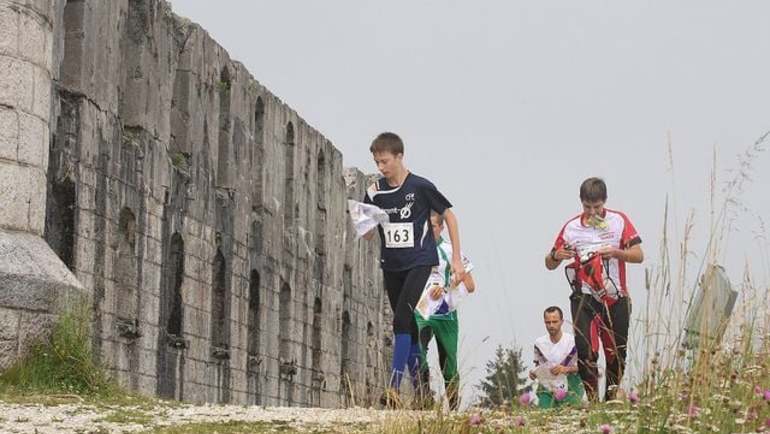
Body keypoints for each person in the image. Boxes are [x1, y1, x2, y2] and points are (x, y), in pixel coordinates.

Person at [363, 132, 465, 407]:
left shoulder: (420, 186)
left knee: (400, 321)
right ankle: (422, 391)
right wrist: (366, 224)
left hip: (420, 261)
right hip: (392, 265)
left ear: (399, 156)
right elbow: (368, 233)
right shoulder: (375, 191)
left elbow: (450, 217)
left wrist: (456, 259)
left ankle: (393, 387)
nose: (381, 168)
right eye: (376, 163)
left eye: (385, 161)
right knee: (406, 327)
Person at [544, 177, 643, 401]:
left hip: (614, 297)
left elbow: (639, 255)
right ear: (581, 203)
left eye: (596, 207)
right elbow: (549, 263)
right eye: (587, 207)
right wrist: (555, 256)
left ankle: (610, 398)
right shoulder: (571, 228)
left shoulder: (619, 221)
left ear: (604, 202)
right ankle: (593, 401)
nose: (592, 212)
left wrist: (617, 253)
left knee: (616, 354)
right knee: (586, 352)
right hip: (584, 298)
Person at [413, 211, 476, 410]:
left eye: (432, 226)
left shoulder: (450, 251)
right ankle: (424, 399)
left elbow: (471, 285)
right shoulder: (414, 249)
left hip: (445, 313)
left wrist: (453, 284)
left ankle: (454, 406)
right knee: (417, 352)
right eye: (425, 226)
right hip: (422, 311)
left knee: (448, 365)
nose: (428, 230)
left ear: (441, 227)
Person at [529, 306, 584, 408]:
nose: (551, 325)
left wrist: (565, 369)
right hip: (548, 384)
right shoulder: (539, 343)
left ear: (561, 322)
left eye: (555, 322)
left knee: (570, 412)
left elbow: (585, 368)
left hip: (570, 383)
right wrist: (534, 373)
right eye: (548, 322)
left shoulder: (573, 342)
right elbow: (538, 365)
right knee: (545, 414)